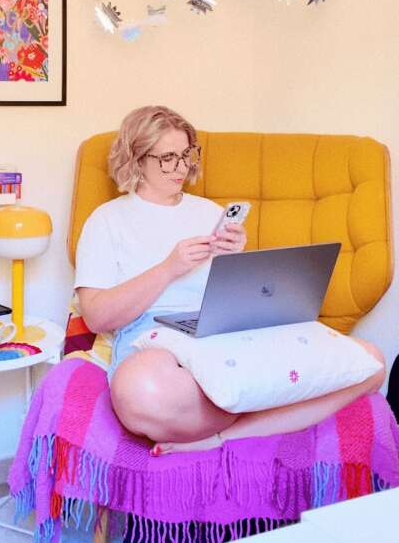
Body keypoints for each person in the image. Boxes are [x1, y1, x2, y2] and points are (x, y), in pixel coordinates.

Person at [75, 105, 385, 455]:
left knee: (371, 363)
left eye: (187, 154)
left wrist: (236, 260)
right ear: (136, 158)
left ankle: (224, 436)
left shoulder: (210, 213)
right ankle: (270, 406)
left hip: (225, 331)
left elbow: (241, 297)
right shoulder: (107, 220)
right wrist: (169, 268)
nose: (182, 168)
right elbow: (96, 316)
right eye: (168, 158)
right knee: (141, 390)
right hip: (155, 339)